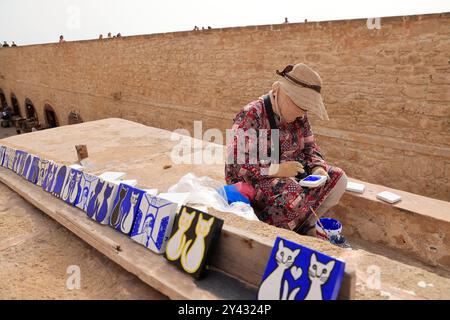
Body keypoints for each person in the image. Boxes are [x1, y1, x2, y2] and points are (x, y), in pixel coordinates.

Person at [225, 63, 347, 236]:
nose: (303, 114)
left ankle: (304, 224)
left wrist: (317, 167)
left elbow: (310, 147)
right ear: (284, 94)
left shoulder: (300, 117)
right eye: (300, 106)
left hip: (291, 172)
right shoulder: (252, 114)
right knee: (292, 192)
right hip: (254, 178)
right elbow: (236, 164)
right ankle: (272, 234)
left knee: (338, 178)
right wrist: (277, 169)